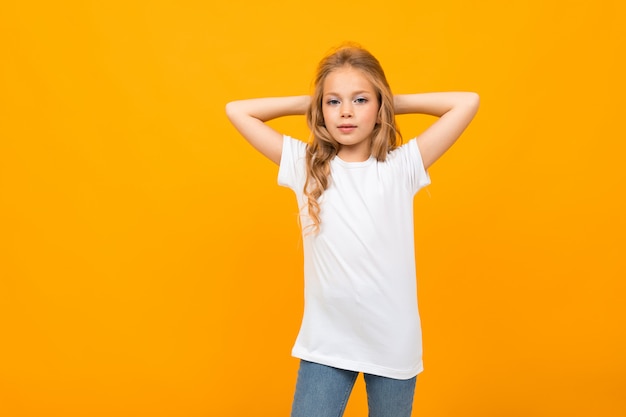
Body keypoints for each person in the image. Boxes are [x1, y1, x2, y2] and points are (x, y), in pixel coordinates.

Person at [225, 43, 479, 417]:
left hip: (392, 342)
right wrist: (314, 102)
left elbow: (467, 102)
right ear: (320, 109)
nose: (345, 112)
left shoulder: (401, 167)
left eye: (360, 100)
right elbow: (238, 111)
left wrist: (386, 100)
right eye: (333, 102)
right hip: (327, 343)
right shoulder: (305, 165)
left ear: (379, 107)